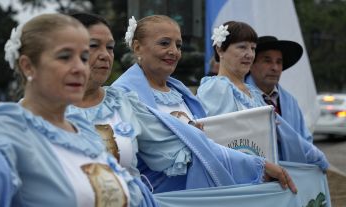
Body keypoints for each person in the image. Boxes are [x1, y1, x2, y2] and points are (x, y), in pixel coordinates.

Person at [0, 13, 153, 207]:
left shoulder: (83, 130)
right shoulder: (9, 127)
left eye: (84, 57)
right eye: (65, 57)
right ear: (28, 67)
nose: (80, 68)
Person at [112, 15, 297, 194]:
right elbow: (176, 152)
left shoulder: (179, 92)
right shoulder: (127, 94)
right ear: (137, 47)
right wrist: (258, 165)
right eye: (164, 43)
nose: (174, 51)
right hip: (162, 197)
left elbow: (208, 141)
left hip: (194, 192)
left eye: (178, 45)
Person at [196, 21, 329, 171]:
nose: (249, 54)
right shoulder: (217, 88)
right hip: (238, 176)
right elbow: (218, 140)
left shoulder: (252, 92)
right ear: (220, 49)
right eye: (242, 47)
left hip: (263, 175)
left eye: (253, 48)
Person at [245, 36, 313, 143]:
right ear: (251, 64)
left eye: (279, 62)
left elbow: (306, 142)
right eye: (267, 61)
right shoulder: (237, 96)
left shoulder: (291, 102)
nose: (275, 68)